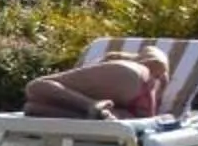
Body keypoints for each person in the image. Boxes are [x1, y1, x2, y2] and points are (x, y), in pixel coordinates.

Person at [21, 45, 172, 120]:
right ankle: (92, 108)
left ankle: (90, 104)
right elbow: (159, 64)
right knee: (32, 108)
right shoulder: (143, 63)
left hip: (129, 79)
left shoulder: (144, 55)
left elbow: (158, 63)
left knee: (35, 87)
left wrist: (117, 57)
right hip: (134, 114)